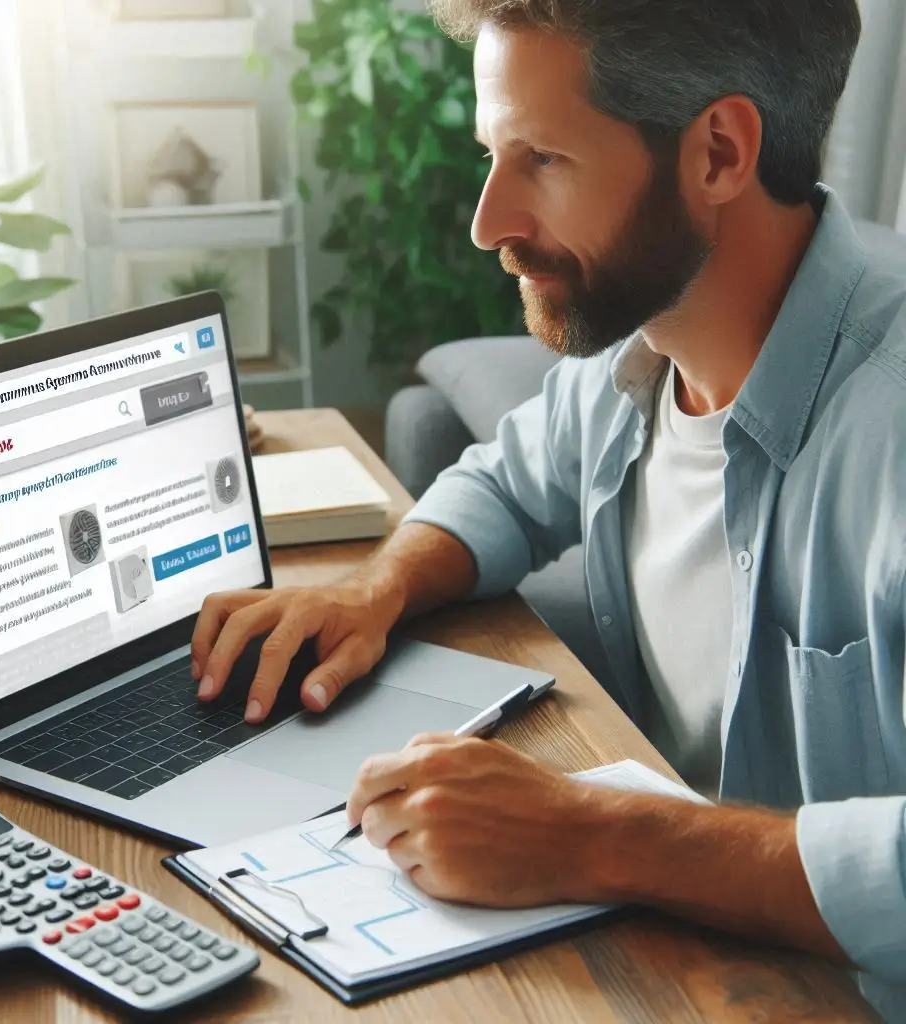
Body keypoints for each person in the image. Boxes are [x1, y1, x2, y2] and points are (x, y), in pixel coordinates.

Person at [193, 1, 906, 1018]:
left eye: (541, 159)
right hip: (682, 955)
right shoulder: (643, 341)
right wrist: (373, 588)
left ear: (716, 151)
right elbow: (506, 481)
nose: (488, 223)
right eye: (492, 154)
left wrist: (591, 833)